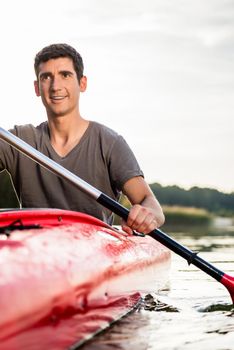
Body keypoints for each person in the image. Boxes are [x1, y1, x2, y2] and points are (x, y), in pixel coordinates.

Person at [0, 43, 164, 234]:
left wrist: (147, 214)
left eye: (65, 75)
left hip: (94, 253)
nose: (55, 86)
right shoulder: (19, 140)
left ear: (82, 83)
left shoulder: (109, 142)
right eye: (46, 77)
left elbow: (152, 205)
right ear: (37, 87)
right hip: (34, 248)